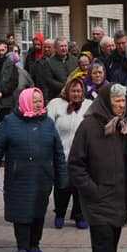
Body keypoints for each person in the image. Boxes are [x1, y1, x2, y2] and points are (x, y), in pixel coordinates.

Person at [0, 87, 67, 252]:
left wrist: (62, 176)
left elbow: (58, 152)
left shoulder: (48, 123)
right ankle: (22, 247)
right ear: (25, 102)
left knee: (38, 212)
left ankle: (34, 244)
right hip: (19, 178)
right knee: (21, 213)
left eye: (40, 100)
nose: (38, 104)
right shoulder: (10, 122)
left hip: (42, 177)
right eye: (34, 100)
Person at [69, 84, 127, 252]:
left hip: (119, 194)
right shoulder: (89, 126)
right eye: (117, 102)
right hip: (97, 195)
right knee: (103, 237)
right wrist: (91, 189)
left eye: (123, 101)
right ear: (106, 102)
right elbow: (75, 164)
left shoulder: (124, 125)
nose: (121, 106)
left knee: (111, 238)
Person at [47, 75, 91, 230]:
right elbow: (48, 126)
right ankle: (59, 213)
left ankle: (80, 216)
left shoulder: (88, 105)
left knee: (80, 188)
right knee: (62, 187)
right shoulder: (55, 104)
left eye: (79, 91)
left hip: (82, 156)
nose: (77, 94)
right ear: (67, 91)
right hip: (61, 154)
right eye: (73, 90)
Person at [40, 37, 79, 103]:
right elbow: (49, 80)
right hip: (57, 96)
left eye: (65, 46)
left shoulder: (75, 60)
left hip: (75, 95)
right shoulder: (49, 63)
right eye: (61, 46)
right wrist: (66, 87)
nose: (64, 48)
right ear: (55, 48)